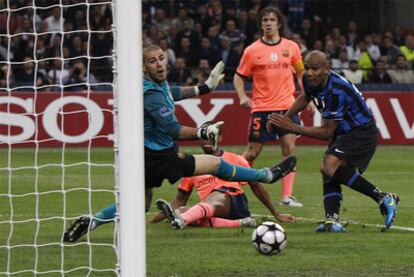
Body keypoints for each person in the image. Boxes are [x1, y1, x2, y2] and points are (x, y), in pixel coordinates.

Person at [142, 45, 297, 212]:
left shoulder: (156, 85)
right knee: (216, 164)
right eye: (152, 61)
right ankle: (266, 175)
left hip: (148, 153)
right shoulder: (152, 95)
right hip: (160, 155)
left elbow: (172, 92)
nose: (158, 64)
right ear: (144, 68)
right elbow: (173, 130)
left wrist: (204, 87)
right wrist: (203, 131)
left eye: (160, 58)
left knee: (138, 204)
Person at [267, 50, 400, 232]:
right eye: (307, 68)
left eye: (315, 69)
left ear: (326, 69)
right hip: (344, 132)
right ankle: (332, 220)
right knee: (329, 170)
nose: (310, 73)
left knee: (328, 166)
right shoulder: (309, 79)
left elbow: (326, 132)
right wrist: (285, 118)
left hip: (360, 132)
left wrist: (292, 127)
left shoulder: (337, 91)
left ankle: (383, 198)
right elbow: (306, 96)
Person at [233, 6, 305, 207]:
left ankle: (286, 196)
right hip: (262, 108)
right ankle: (232, 184)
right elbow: (239, 77)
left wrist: (308, 95)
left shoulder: (292, 47)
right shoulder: (252, 51)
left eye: (272, 20)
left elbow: (301, 72)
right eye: (264, 20)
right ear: (261, 24)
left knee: (289, 148)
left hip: (287, 107)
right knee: (253, 152)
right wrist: (242, 96)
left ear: (279, 23)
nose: (268, 23)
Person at [150, 137, 297, 229]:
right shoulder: (193, 167)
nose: (207, 140)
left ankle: (184, 219)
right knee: (181, 210)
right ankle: (240, 223)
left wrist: (276, 214)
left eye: (210, 137)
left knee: (214, 198)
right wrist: (151, 223)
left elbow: (256, 186)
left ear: (220, 138)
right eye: (204, 137)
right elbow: (179, 200)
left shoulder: (235, 159)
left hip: (233, 200)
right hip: (211, 209)